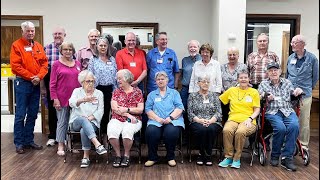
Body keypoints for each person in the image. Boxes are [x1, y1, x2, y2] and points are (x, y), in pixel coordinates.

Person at [10, 21, 48, 154]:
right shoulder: (16, 45)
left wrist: (39, 76)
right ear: (23, 31)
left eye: (32, 31)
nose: (31, 33)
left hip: (36, 84)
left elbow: (44, 64)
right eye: (28, 31)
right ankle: (19, 143)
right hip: (23, 83)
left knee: (33, 113)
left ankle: (28, 140)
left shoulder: (38, 46)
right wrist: (32, 77)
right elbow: (16, 66)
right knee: (20, 114)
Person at [258, 62, 303, 171]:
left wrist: (298, 91)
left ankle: (286, 158)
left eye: (275, 70)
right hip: (272, 112)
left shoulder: (287, 82)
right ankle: (275, 155)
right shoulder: (263, 84)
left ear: (279, 71)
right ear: (268, 73)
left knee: (294, 126)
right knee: (281, 128)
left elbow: (294, 93)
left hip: (287, 110)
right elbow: (258, 96)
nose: (273, 72)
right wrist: (265, 96)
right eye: (271, 70)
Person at [218, 70, 260, 169]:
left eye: (245, 77)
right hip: (233, 118)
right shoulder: (232, 90)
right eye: (241, 78)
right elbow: (220, 100)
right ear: (238, 79)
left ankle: (236, 158)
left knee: (240, 132)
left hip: (248, 120)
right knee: (226, 130)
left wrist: (250, 118)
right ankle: (228, 157)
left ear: (249, 79)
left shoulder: (254, 92)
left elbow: (257, 110)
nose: (243, 79)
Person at [144, 71, 185, 167]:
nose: (160, 81)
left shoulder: (174, 93)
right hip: (156, 120)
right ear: (155, 82)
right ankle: (152, 157)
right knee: (151, 132)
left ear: (167, 80)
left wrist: (170, 118)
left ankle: (170, 157)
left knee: (171, 132)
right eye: (158, 79)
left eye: (162, 79)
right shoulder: (152, 95)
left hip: (173, 120)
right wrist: (157, 118)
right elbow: (148, 109)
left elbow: (180, 107)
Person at [69, 70, 108, 168]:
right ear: (82, 82)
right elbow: (71, 103)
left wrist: (91, 117)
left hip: (92, 122)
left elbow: (100, 110)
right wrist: (83, 100)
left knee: (84, 130)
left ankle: (86, 158)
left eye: (92, 81)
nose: (90, 83)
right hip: (76, 121)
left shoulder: (99, 93)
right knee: (82, 120)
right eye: (88, 81)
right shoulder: (77, 91)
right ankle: (97, 144)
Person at [286, 34, 319, 149]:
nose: (292, 45)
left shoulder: (312, 58)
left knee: (304, 120)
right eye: (291, 42)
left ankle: (303, 144)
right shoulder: (290, 58)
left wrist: (307, 88)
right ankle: (289, 142)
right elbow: (287, 75)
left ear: (302, 44)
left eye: (294, 42)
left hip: (305, 95)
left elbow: (315, 77)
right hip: (290, 94)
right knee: (289, 119)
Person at [50, 42, 81, 156]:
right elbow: (52, 84)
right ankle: (60, 145)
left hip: (75, 100)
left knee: (71, 123)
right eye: (65, 49)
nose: (68, 51)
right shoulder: (56, 65)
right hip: (61, 99)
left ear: (73, 51)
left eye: (70, 49)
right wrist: (55, 99)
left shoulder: (77, 64)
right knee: (62, 122)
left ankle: (69, 144)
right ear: (61, 51)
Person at [107, 69, 144, 168]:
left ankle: (126, 155)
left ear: (127, 79)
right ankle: (118, 155)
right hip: (118, 118)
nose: (118, 80)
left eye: (120, 78)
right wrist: (128, 115)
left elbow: (140, 109)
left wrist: (127, 109)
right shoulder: (116, 92)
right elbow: (114, 108)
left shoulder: (137, 92)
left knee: (127, 131)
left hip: (134, 120)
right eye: (117, 78)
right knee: (111, 131)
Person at [88, 37, 117, 145]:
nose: (103, 47)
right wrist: (91, 92)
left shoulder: (112, 59)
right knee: (96, 114)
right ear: (97, 46)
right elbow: (89, 76)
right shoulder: (93, 60)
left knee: (106, 115)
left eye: (105, 45)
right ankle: (95, 139)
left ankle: (105, 139)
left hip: (109, 90)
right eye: (101, 45)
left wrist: (115, 91)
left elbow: (115, 77)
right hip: (97, 90)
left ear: (108, 47)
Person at [188, 75, 222, 166]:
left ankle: (207, 154)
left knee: (210, 129)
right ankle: (202, 153)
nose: (206, 83)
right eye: (203, 81)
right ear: (198, 83)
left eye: (207, 82)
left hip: (213, 121)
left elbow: (219, 112)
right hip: (197, 121)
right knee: (202, 129)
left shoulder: (214, 96)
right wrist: (199, 120)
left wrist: (211, 121)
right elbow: (190, 112)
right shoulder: (192, 96)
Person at [41, 26, 66, 147]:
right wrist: (43, 87)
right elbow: (42, 69)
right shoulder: (46, 48)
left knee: (66, 109)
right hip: (50, 80)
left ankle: (64, 136)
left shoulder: (69, 48)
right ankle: (52, 136)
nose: (57, 36)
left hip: (65, 82)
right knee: (52, 109)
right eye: (55, 33)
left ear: (64, 35)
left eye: (60, 34)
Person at [220, 47, 247, 121]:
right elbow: (219, 81)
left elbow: (244, 80)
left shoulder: (243, 67)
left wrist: (234, 92)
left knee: (235, 115)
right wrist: (224, 91)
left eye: (234, 54)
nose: (232, 56)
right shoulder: (222, 67)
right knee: (224, 116)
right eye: (230, 55)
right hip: (224, 94)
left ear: (238, 56)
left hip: (238, 95)